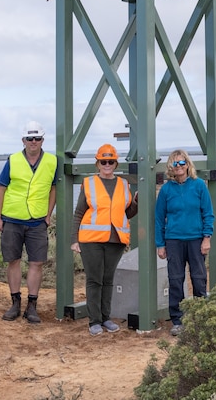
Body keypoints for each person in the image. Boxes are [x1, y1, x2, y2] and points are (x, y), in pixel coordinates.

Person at [0, 121, 58, 324]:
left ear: (42, 140)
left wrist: (48, 215)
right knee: (13, 261)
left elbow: (53, 189)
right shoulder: (12, 160)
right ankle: (14, 303)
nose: (33, 142)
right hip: (12, 219)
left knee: (36, 263)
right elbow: (1, 189)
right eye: (29, 138)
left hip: (37, 221)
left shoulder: (52, 161)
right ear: (23, 140)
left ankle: (32, 305)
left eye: (37, 138)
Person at [70, 144, 138, 336]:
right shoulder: (89, 183)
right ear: (97, 163)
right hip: (91, 239)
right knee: (94, 280)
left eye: (110, 161)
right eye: (103, 161)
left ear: (116, 163)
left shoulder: (123, 185)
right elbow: (79, 213)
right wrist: (74, 239)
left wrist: (136, 203)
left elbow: (127, 213)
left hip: (115, 239)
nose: (107, 164)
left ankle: (106, 318)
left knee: (108, 279)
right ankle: (94, 321)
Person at [155, 149, 215, 336]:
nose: (179, 167)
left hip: (196, 239)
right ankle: (178, 320)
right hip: (173, 241)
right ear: (170, 167)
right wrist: (160, 244)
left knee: (199, 278)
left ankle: (199, 317)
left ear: (188, 165)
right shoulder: (166, 190)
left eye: (182, 163)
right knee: (175, 279)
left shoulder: (198, 186)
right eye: (175, 164)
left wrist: (207, 238)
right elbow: (159, 218)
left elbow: (208, 213)